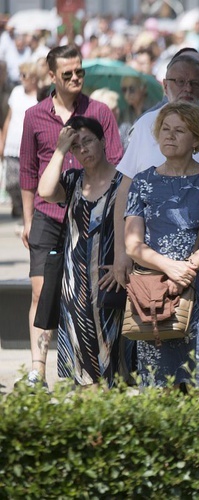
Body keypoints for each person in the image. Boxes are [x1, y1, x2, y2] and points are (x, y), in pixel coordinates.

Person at [19, 45, 123, 387]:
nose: (76, 78)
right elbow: (28, 172)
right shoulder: (35, 115)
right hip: (50, 213)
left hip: (94, 211)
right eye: (68, 74)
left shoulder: (99, 110)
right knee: (43, 291)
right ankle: (38, 368)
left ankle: (94, 366)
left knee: (86, 290)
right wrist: (28, 220)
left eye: (80, 72)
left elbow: (118, 159)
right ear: (52, 77)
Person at [124, 101, 199, 389]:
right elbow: (133, 244)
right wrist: (171, 268)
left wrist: (188, 267)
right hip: (155, 294)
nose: (169, 136)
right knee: (159, 388)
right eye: (165, 130)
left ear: (197, 138)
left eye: (179, 130)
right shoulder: (143, 182)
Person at [113, 53, 199, 294]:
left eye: (195, 83)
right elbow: (125, 191)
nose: (187, 88)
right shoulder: (146, 124)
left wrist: (187, 267)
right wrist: (121, 252)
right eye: (179, 81)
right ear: (165, 85)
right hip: (150, 261)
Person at [36, 117, 124, 387]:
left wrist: (125, 262)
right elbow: (45, 191)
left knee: (114, 368)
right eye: (76, 146)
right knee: (83, 374)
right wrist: (60, 150)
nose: (83, 149)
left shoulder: (124, 182)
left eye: (88, 141)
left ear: (103, 141)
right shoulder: (73, 181)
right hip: (74, 286)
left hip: (112, 284)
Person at [1, 61, 39, 220]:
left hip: (28, 145)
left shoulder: (39, 96)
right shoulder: (16, 92)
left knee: (26, 181)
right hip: (12, 144)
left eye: (24, 75)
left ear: (33, 78)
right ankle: (18, 204)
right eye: (20, 75)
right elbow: (9, 118)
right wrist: (2, 139)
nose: (21, 78)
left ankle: (26, 209)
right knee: (10, 182)